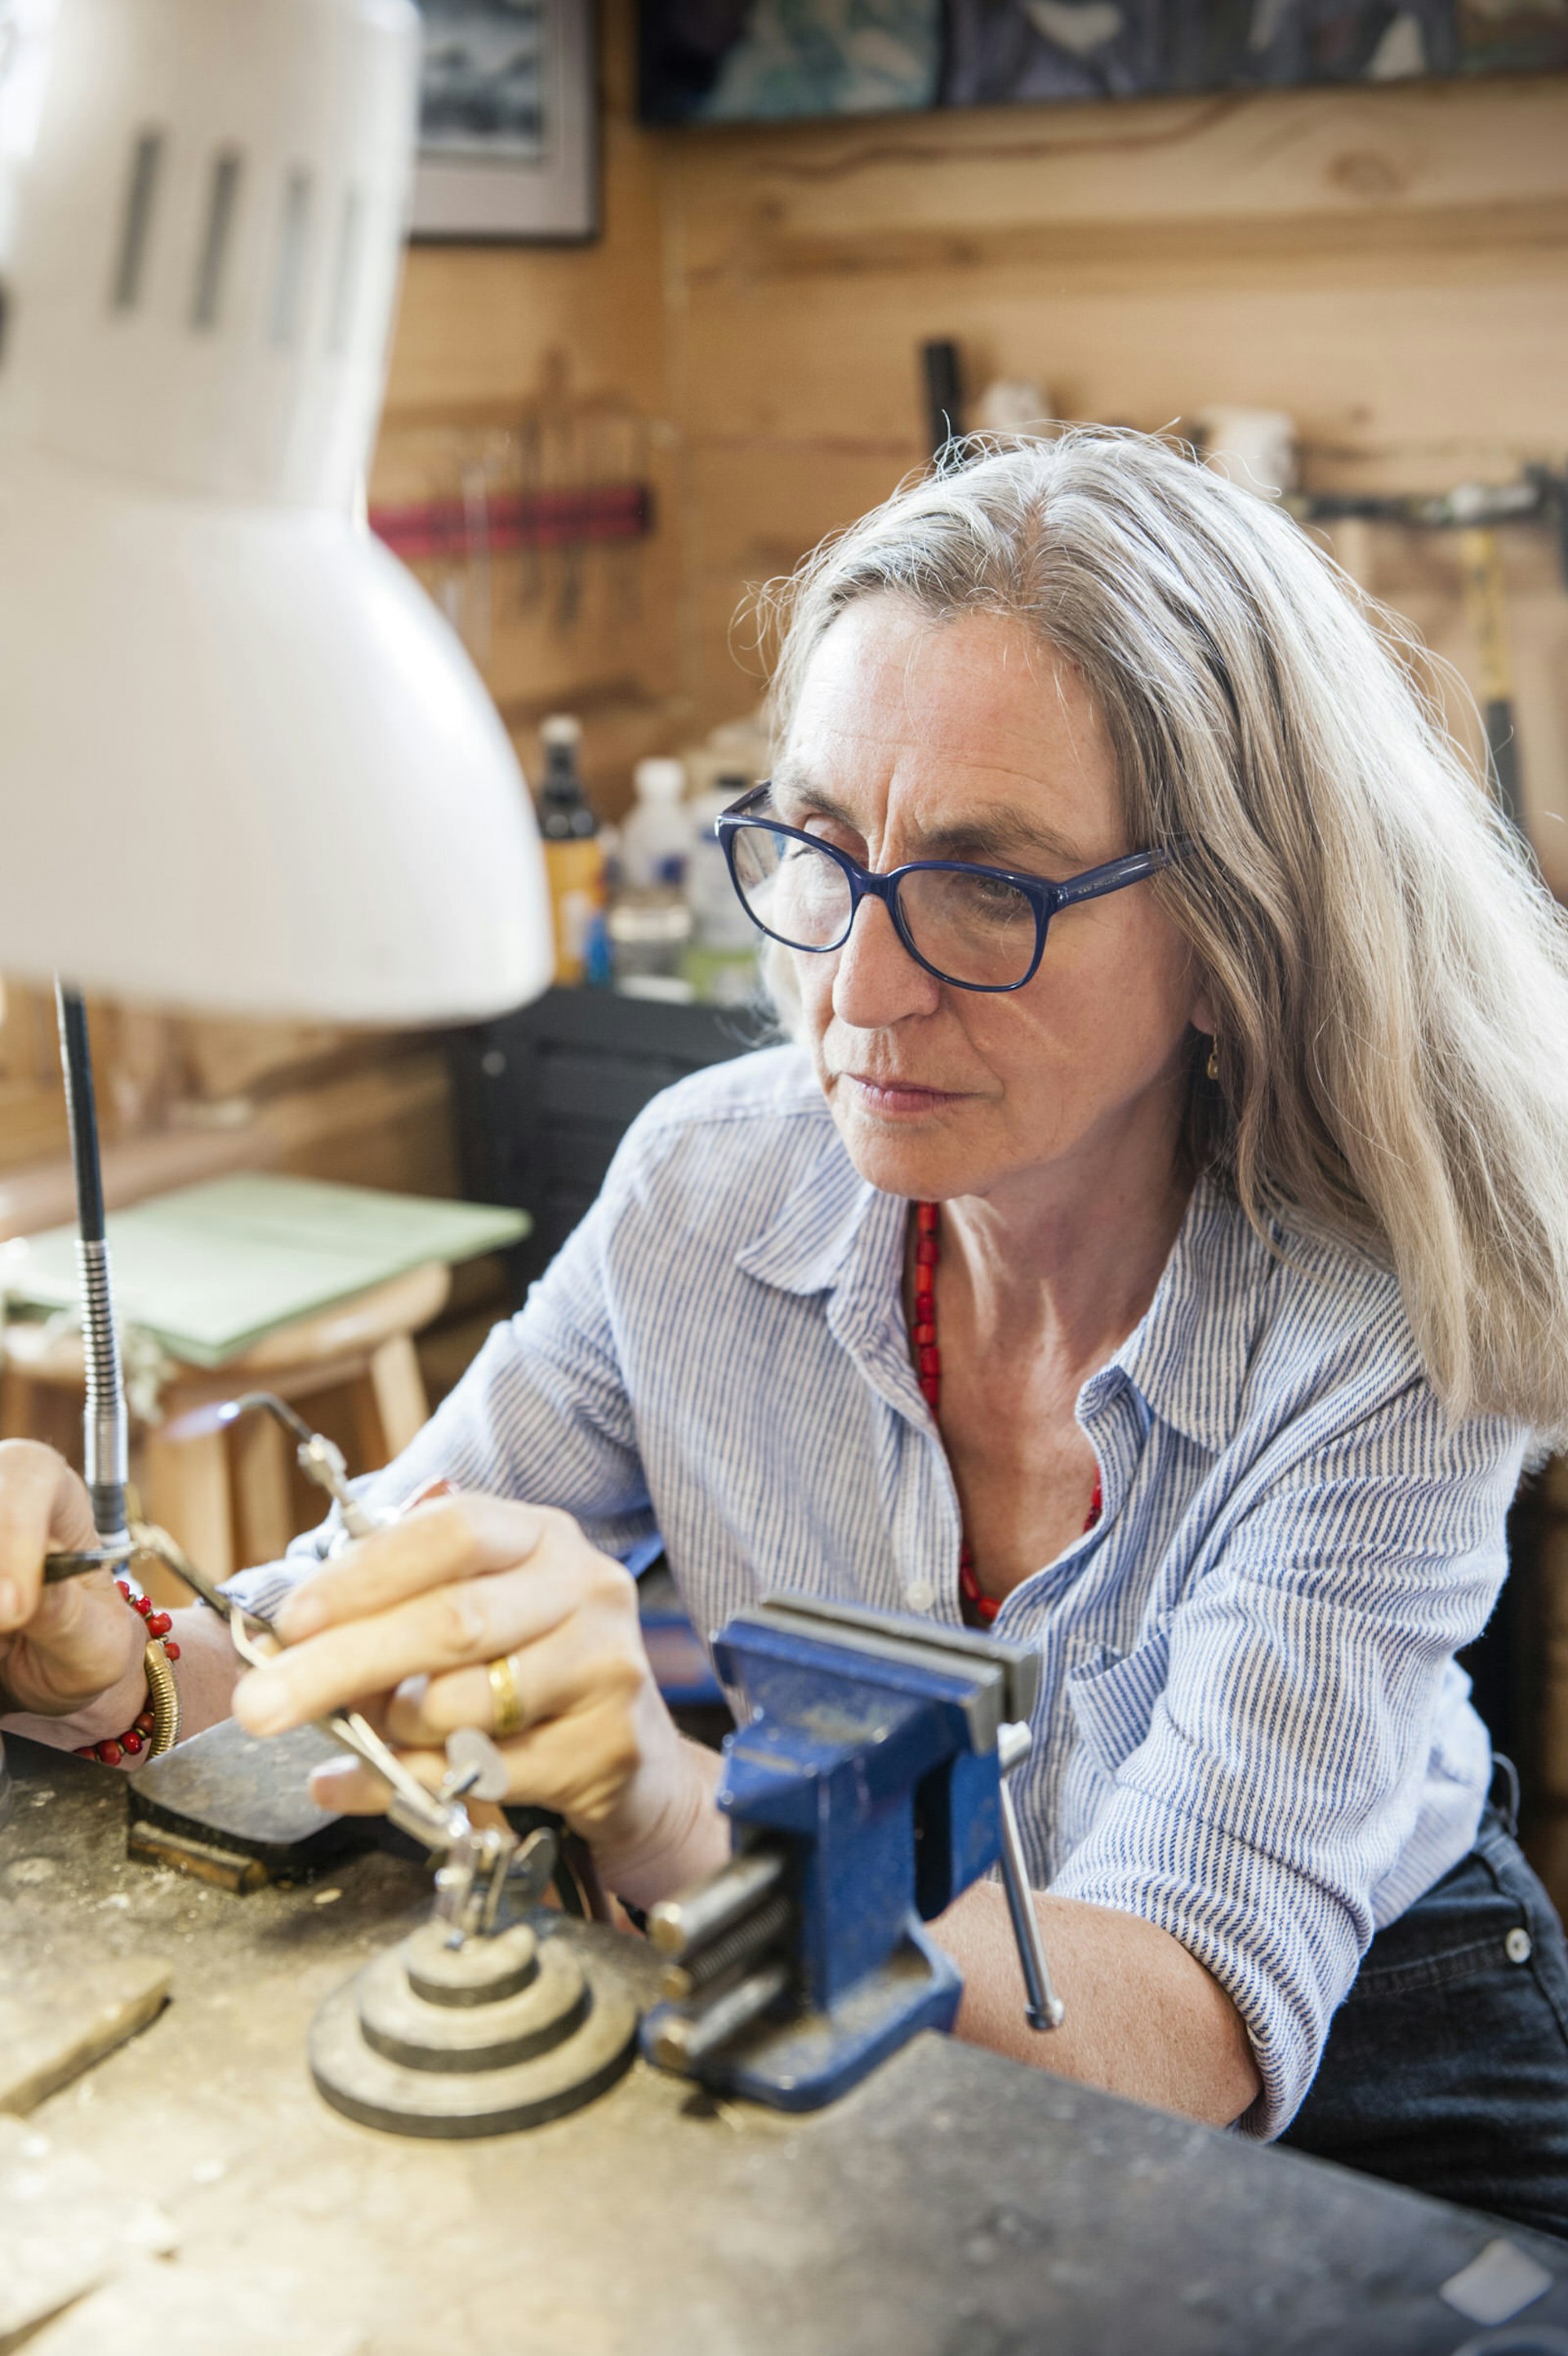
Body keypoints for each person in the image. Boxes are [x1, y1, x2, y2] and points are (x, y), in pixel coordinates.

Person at [6, 430, 1568, 2231]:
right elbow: (324, 1646)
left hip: (1365, 2054)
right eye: (823, 847)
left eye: (990, 885)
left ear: (1228, 935)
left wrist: (678, 1823)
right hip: (845, 1967)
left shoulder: (1379, 1328)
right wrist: (111, 1659)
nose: (859, 989)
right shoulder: (710, 1187)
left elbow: (1169, 2034)